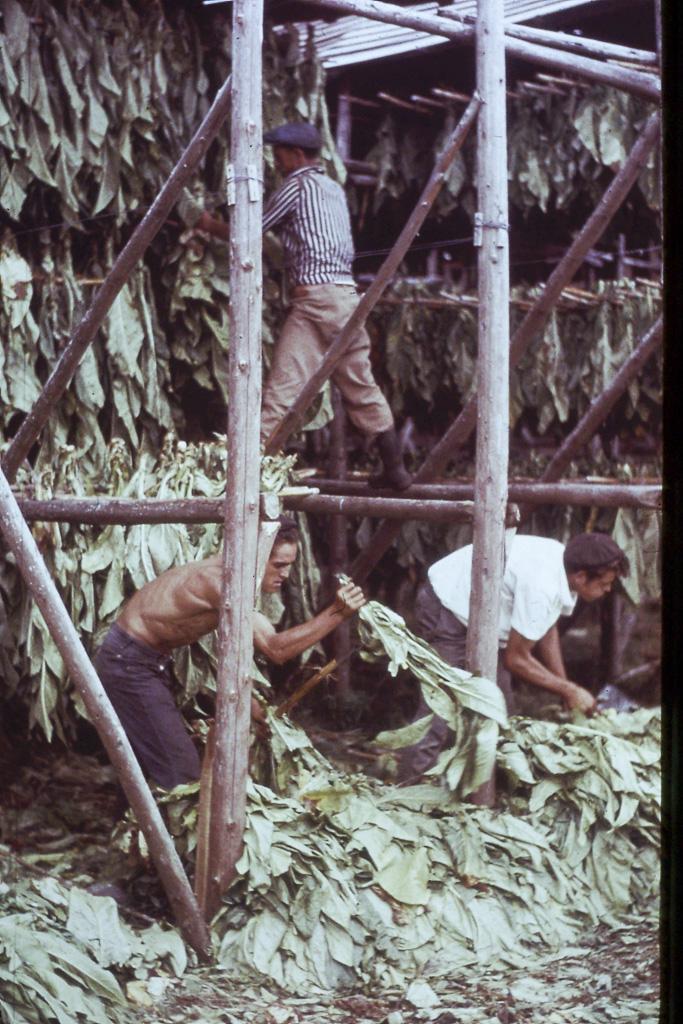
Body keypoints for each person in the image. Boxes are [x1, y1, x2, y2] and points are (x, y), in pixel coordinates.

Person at [195, 120, 412, 490]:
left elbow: (249, 231)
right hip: (343, 298)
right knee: (357, 385)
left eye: (279, 157)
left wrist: (204, 222)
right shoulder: (333, 188)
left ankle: (243, 476)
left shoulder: (296, 187)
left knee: (283, 389)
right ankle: (395, 469)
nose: (276, 164)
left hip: (317, 299)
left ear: (297, 156)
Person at [94, 518, 365, 790]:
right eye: (279, 565)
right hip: (129, 663)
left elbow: (225, 645)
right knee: (182, 774)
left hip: (145, 660)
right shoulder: (224, 581)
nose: (286, 574)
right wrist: (337, 613)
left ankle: (135, 830)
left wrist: (246, 700)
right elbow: (275, 648)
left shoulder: (232, 570)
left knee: (149, 764)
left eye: (290, 564)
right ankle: (169, 832)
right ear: (255, 555)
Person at [397, 532, 630, 783]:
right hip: (448, 604)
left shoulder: (564, 562)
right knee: (440, 703)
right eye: (604, 584)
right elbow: (515, 659)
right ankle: (409, 788)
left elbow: (545, 628)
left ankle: (491, 785)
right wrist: (570, 690)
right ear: (581, 577)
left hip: (483, 613)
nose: (607, 590)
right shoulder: (543, 585)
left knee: (500, 709)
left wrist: (564, 689)